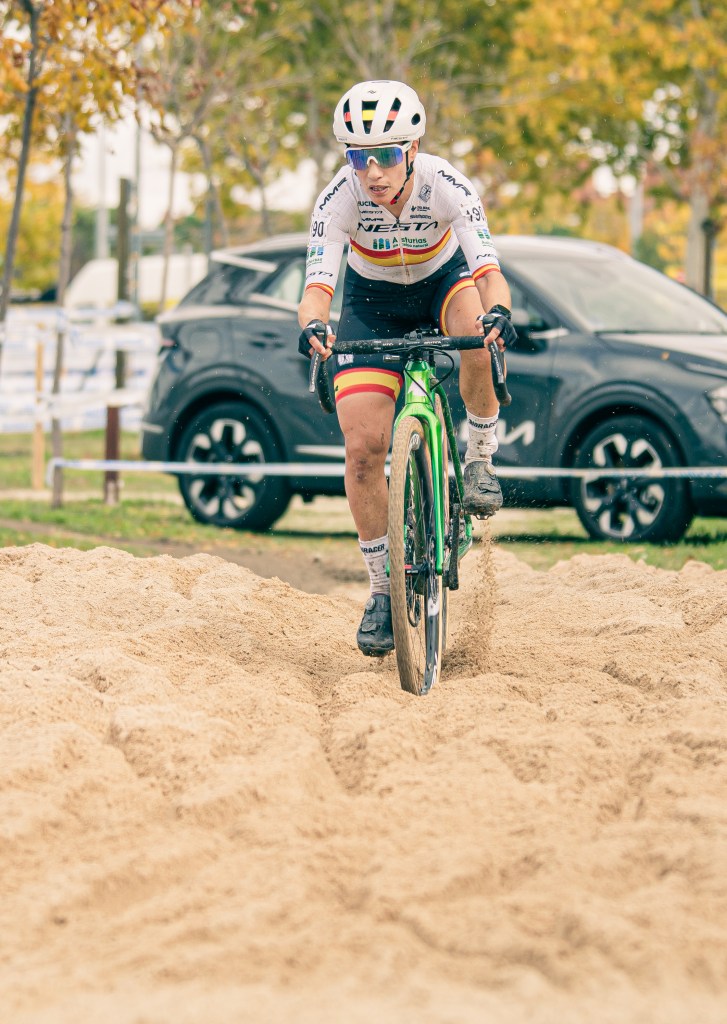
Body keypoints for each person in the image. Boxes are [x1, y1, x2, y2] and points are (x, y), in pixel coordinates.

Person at [297, 80, 516, 658]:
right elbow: (317, 288)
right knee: (362, 451)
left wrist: (499, 311)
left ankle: (480, 457)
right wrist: (314, 325)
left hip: (443, 285)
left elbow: (488, 272)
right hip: (372, 304)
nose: (372, 172)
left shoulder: (447, 185)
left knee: (477, 334)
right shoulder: (337, 199)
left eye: (387, 155)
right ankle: (381, 590)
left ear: (413, 148)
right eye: (358, 158)